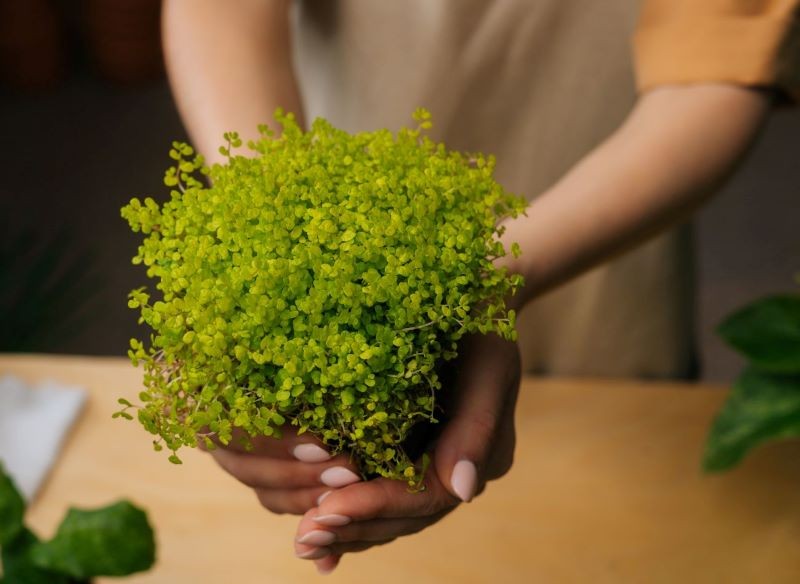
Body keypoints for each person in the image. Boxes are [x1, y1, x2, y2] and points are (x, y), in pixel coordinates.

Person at [162, 0, 800, 574]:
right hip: (334, 221)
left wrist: (491, 277)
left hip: (608, 240)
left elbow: (721, 55)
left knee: (607, 533)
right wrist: (268, 212)